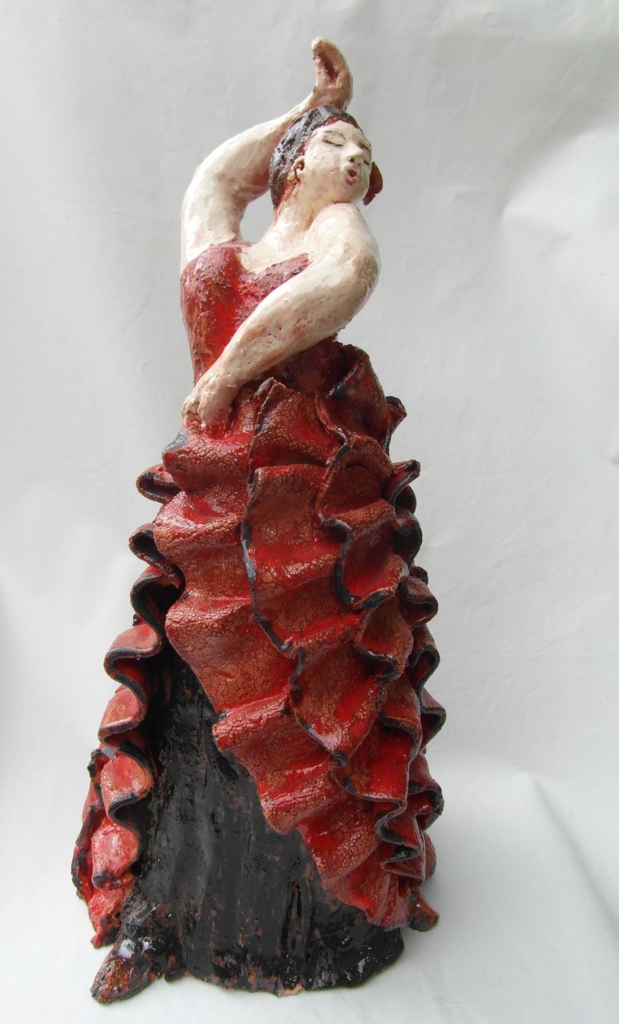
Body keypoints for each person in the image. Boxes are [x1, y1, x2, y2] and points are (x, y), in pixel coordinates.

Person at [73, 39, 444, 1003]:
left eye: (364, 156)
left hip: (295, 500)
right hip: (211, 493)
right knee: (197, 696)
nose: (354, 161)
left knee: (298, 679)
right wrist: (305, 109)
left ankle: (326, 905)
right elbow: (212, 181)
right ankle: (168, 913)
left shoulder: (340, 238)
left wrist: (228, 373)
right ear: (291, 163)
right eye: (336, 147)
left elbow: (340, 284)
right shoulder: (231, 243)